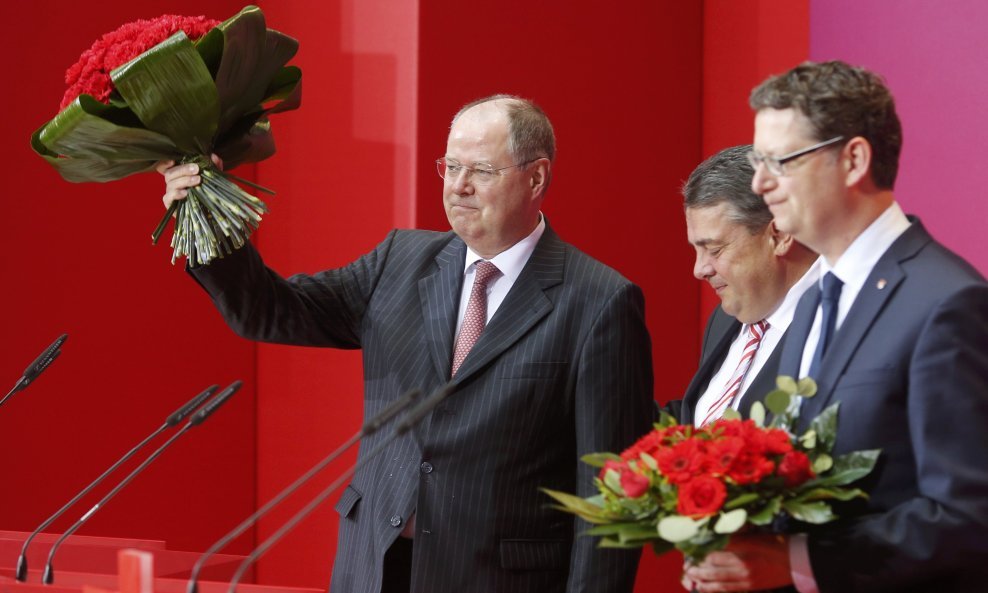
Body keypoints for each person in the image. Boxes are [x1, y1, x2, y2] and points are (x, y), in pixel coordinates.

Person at [158, 95, 654, 593]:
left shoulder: (598, 301)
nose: (458, 185)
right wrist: (204, 212)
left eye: (480, 170)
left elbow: (610, 494)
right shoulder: (400, 260)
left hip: (496, 578)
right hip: (374, 565)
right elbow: (269, 310)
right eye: (450, 166)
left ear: (536, 177)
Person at [684, 61, 988, 593]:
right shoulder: (812, 302)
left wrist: (798, 560)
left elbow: (967, 516)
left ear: (853, 160)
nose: (760, 183)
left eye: (780, 162)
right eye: (758, 163)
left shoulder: (947, 302)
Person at [674, 145, 817, 427]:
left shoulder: (835, 331)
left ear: (779, 235)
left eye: (714, 250)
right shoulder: (724, 319)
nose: (699, 270)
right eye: (696, 250)